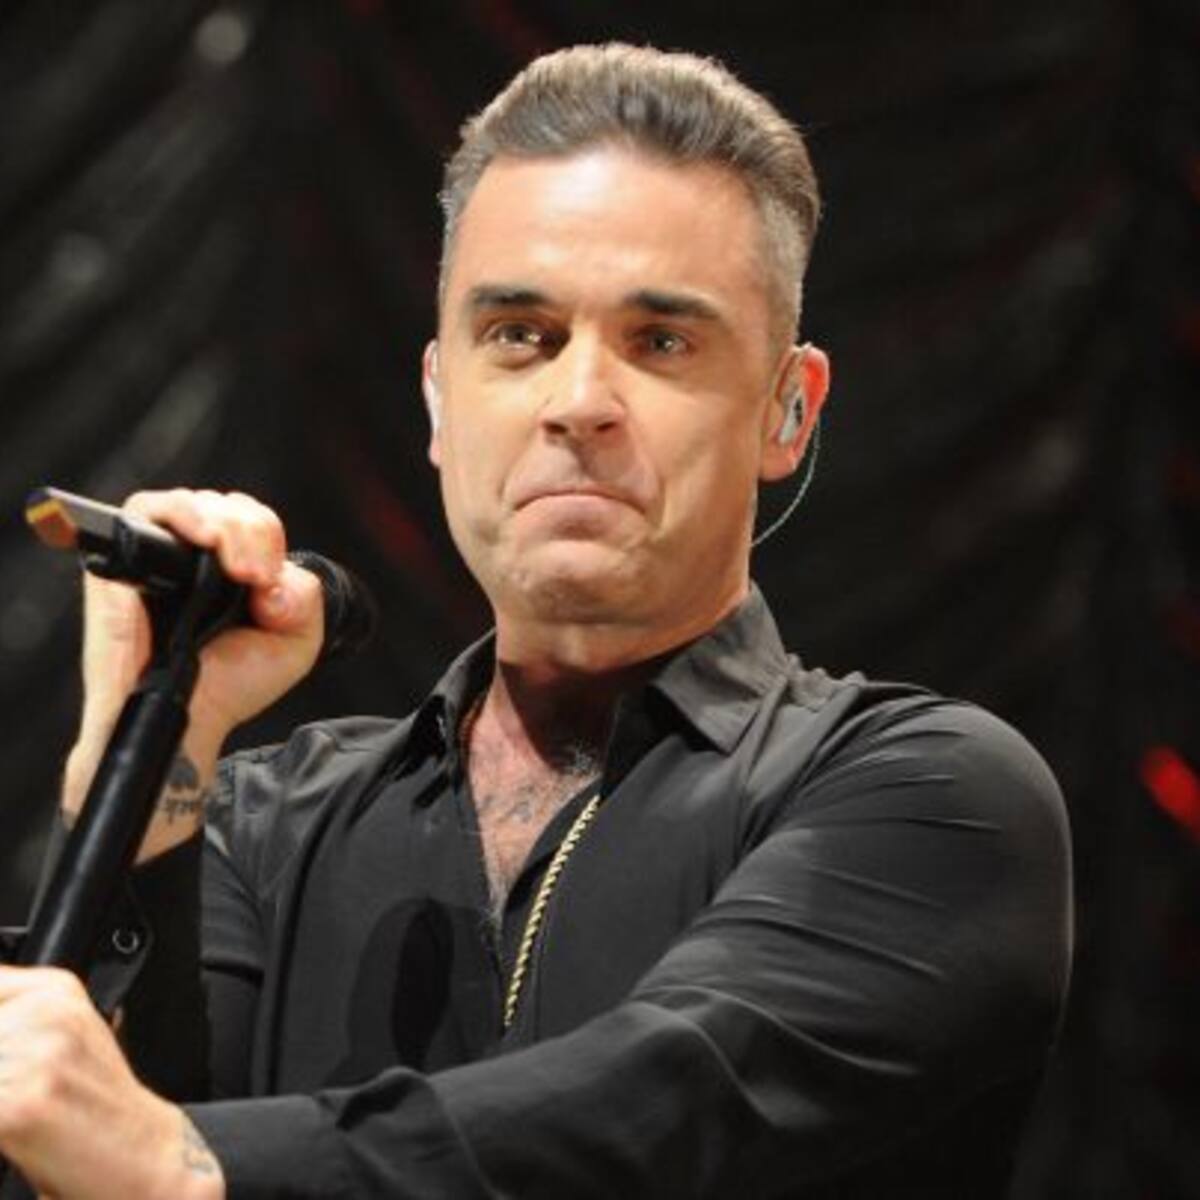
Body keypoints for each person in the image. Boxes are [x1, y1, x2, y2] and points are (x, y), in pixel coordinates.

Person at [0, 43, 1072, 1199]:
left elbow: (655, 1113)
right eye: (521, 334)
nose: (578, 403)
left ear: (787, 410)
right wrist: (142, 752)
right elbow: (90, 1146)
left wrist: (176, 1163)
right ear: (438, 398)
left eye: (661, 342)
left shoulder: (934, 801)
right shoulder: (259, 826)